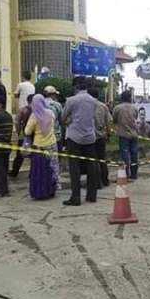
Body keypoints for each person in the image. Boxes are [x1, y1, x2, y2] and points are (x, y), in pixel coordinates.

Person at [62, 77, 99, 206]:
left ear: (76, 87)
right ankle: (92, 195)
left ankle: (76, 197)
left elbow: (63, 117)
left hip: (74, 137)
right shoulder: (94, 101)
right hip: (90, 137)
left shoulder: (71, 100)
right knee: (91, 166)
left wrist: (70, 120)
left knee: (74, 167)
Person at [24, 94, 59, 200]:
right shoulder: (51, 113)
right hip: (52, 144)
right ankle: (52, 189)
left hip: (39, 146)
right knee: (52, 167)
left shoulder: (34, 116)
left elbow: (27, 131)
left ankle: (40, 192)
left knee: (39, 170)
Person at [113, 90, 139, 180]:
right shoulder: (134, 108)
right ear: (130, 98)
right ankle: (134, 174)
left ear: (122, 98)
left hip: (123, 134)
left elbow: (114, 119)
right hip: (134, 134)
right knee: (134, 154)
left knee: (124, 155)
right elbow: (135, 118)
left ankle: (126, 173)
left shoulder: (117, 108)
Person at [90, 86, 113, 188]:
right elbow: (108, 122)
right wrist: (108, 134)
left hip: (89, 137)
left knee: (92, 161)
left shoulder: (86, 106)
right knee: (102, 159)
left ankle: (96, 182)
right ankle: (105, 180)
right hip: (100, 137)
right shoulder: (103, 106)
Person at [10, 94, 34, 179]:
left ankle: (14, 172)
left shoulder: (23, 110)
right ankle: (32, 173)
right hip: (34, 136)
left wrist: (18, 132)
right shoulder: (38, 110)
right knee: (34, 156)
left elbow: (17, 122)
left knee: (19, 155)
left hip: (24, 136)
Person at [44, 85, 64, 151]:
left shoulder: (39, 104)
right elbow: (61, 120)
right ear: (53, 95)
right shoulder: (57, 105)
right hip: (55, 135)